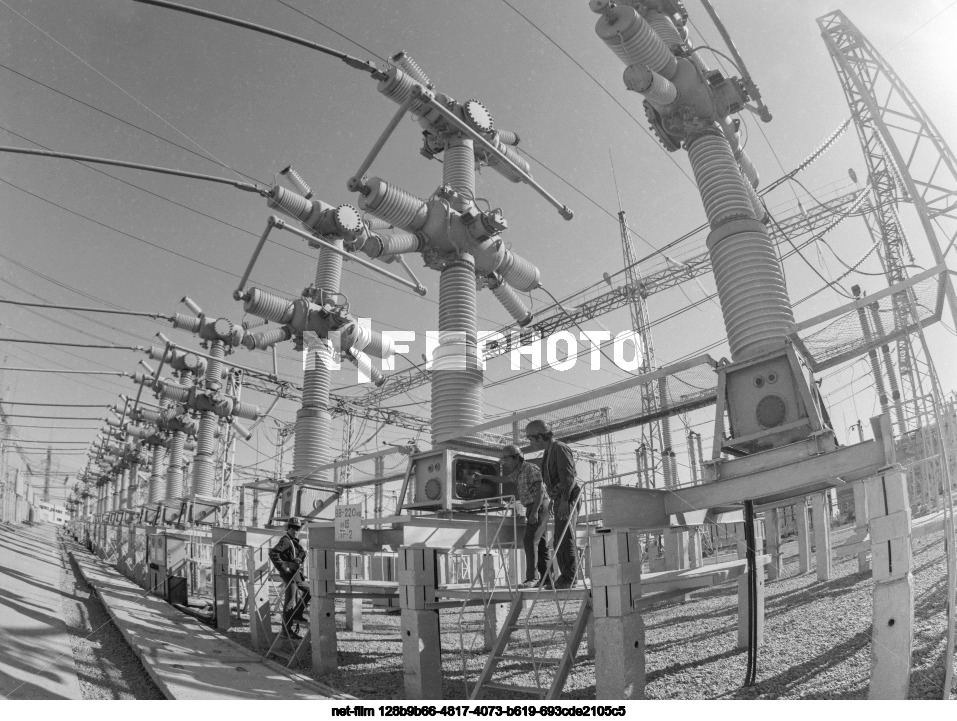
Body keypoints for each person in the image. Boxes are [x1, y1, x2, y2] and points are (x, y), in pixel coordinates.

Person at [472, 444, 549, 589]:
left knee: (529, 541)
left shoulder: (531, 468)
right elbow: (503, 479)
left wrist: (534, 512)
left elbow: (540, 491)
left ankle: (532, 578)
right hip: (533, 507)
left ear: (515, 458)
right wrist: (483, 476)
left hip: (539, 506)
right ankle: (547, 578)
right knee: (541, 544)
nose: (505, 463)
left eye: (506, 459)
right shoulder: (518, 472)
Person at [525, 419, 580, 589]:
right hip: (560, 498)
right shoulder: (548, 452)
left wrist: (564, 501)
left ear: (539, 436)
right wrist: (555, 500)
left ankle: (569, 578)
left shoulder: (560, 448)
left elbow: (568, 477)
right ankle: (566, 576)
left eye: (530, 438)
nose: (530, 443)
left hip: (567, 497)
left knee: (565, 537)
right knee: (558, 540)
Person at [268, 516, 311, 639]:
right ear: (289, 528)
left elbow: (302, 552)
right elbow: (273, 553)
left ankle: (297, 614)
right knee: (290, 603)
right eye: (293, 528)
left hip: (295, 574)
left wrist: (299, 559)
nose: (296, 530)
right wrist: (283, 568)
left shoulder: (293, 541)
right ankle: (286, 630)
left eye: (298, 528)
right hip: (289, 574)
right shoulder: (286, 540)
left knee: (310, 590)